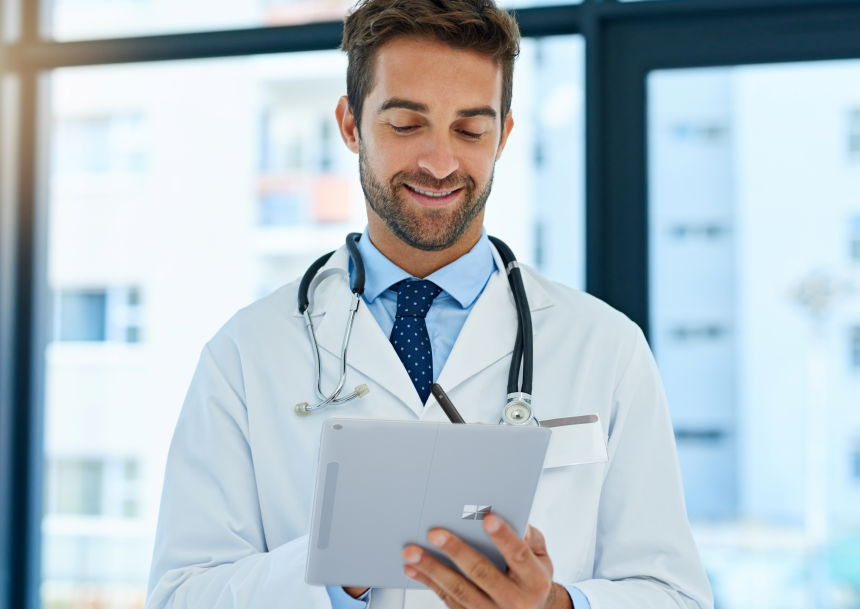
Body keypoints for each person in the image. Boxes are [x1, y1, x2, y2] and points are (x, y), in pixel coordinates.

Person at [146, 0, 714, 607]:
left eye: (471, 129)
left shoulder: (607, 347)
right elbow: (180, 595)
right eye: (405, 124)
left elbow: (673, 595)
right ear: (349, 125)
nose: (440, 163)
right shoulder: (245, 354)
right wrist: (338, 567)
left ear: (504, 136)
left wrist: (554, 605)